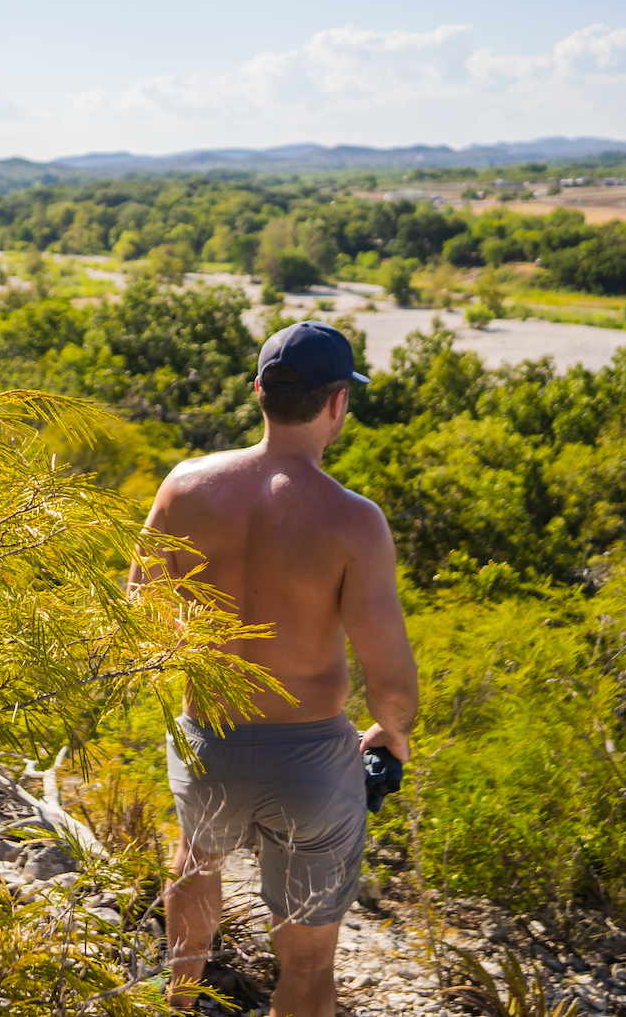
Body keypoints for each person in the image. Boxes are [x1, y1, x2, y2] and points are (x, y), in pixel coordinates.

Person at [129, 320, 419, 1017]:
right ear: (338, 402)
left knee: (196, 861)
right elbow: (391, 683)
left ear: (259, 391)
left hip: (208, 742)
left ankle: (176, 1002)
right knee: (310, 963)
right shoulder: (354, 520)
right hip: (310, 761)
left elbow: (138, 613)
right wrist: (392, 732)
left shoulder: (184, 486)